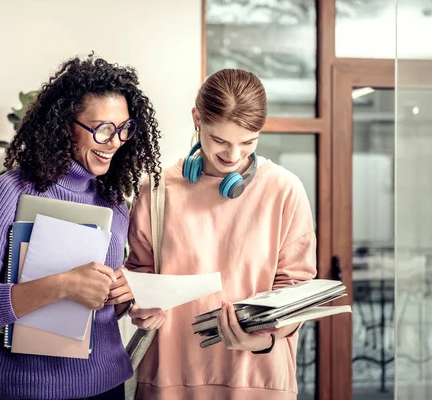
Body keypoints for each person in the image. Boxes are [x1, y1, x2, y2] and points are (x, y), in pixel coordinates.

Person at [0, 55, 161, 400]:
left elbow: (97, 312)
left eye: (123, 128)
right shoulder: (10, 192)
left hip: (108, 386)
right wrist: (62, 285)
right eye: (102, 128)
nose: (116, 141)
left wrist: (122, 295)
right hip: (24, 392)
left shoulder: (115, 203)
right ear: (64, 125)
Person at [124, 68, 317, 400]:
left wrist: (264, 338)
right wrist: (139, 306)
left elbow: (297, 289)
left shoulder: (284, 190)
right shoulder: (156, 189)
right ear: (197, 118)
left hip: (258, 380)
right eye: (220, 140)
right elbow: (139, 275)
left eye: (248, 142)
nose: (233, 155)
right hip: (170, 380)